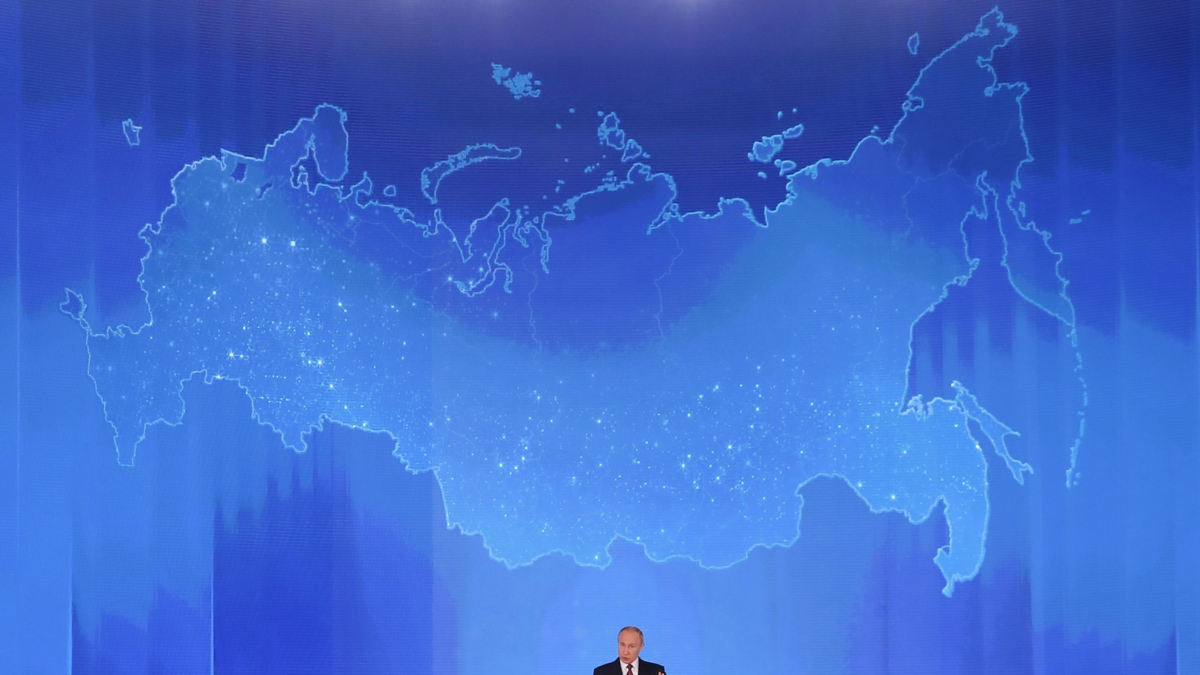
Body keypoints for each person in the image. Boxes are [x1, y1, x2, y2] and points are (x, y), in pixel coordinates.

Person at [593, 626, 665, 675]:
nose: (625, 652)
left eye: (631, 646)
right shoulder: (601, 672)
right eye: (622, 645)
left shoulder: (655, 671)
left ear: (641, 647)